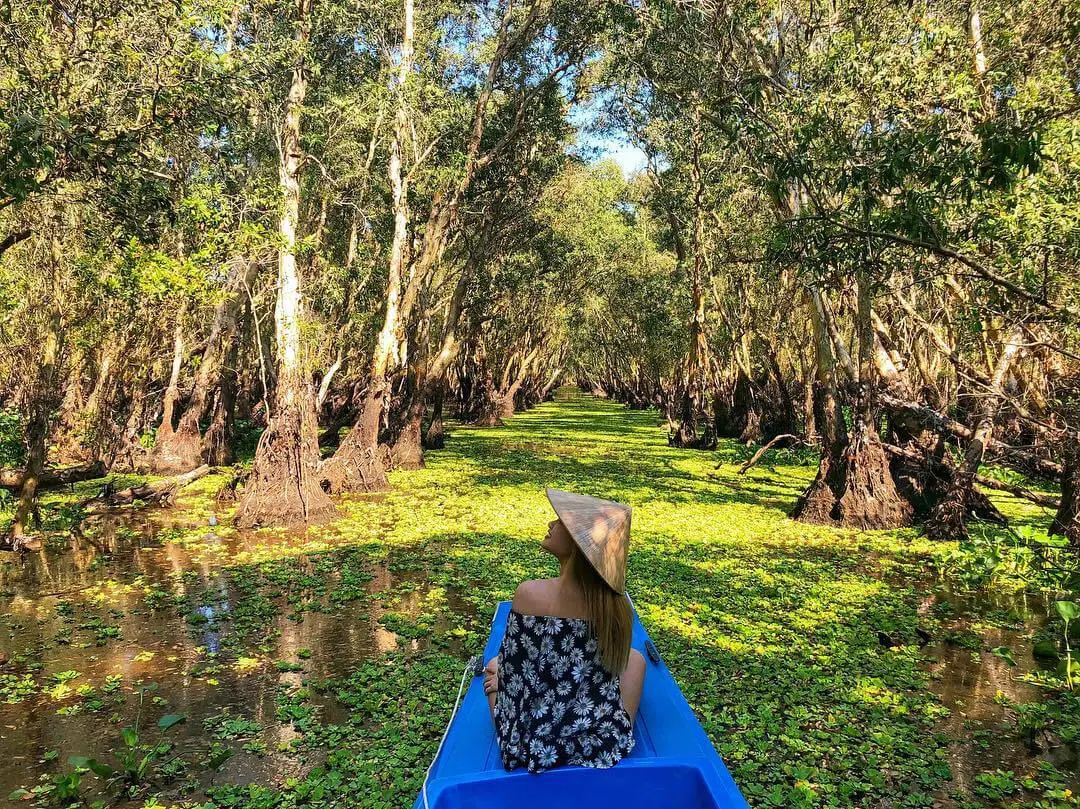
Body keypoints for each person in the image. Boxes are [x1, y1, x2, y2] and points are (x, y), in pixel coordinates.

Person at [482, 487, 646, 773]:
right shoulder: (615, 607)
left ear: (578, 543)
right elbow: (609, 666)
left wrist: (501, 674)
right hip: (598, 740)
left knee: (494, 668)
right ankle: (618, 730)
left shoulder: (529, 594)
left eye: (560, 520)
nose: (551, 524)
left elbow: (517, 679)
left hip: (532, 744)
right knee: (636, 660)